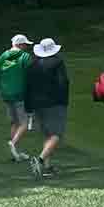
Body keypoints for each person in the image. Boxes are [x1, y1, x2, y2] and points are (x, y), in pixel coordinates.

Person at [23, 37, 70, 178]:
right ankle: (41, 160)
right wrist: (64, 100)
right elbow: (63, 83)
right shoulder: (58, 62)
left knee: (47, 134)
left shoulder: (32, 64)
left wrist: (28, 107)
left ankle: (48, 167)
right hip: (55, 103)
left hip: (37, 104)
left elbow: (27, 87)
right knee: (56, 134)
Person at [0, 34, 33, 162]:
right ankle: (13, 143)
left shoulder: (3, 57)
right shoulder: (25, 57)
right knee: (24, 123)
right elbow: (31, 76)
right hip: (20, 95)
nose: (26, 47)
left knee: (14, 122)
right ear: (20, 45)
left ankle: (15, 154)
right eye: (25, 45)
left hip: (6, 95)